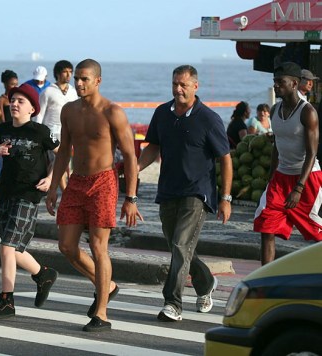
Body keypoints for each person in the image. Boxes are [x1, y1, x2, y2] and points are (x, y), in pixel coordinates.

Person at [45, 59, 141, 332]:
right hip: (76, 182)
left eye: (85, 79)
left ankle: (101, 312)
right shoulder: (69, 110)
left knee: (99, 248)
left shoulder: (113, 112)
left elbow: (131, 156)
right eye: (76, 78)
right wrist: (53, 187)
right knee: (66, 246)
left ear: (98, 81)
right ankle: (106, 286)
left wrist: (131, 198)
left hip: (104, 182)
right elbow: (64, 151)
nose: (78, 83)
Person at [137, 64, 232, 322]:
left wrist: (225, 198)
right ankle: (206, 282)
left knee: (180, 245)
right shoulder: (162, 113)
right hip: (168, 190)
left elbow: (225, 159)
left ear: (195, 87)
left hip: (197, 193)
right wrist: (135, 168)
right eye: (175, 84)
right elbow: (153, 146)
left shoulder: (209, 119)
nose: (178, 89)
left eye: (183, 85)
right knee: (179, 247)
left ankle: (173, 304)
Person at [0, 83, 60, 319]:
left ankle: (7, 301)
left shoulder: (40, 132)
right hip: (6, 191)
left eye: (20, 101)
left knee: (6, 246)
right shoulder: (3, 130)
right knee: (12, 248)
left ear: (32, 109)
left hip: (29, 193)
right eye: (13, 100)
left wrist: (50, 178)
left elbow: (63, 156)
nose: (14, 104)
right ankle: (43, 274)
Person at [253, 62, 322, 265]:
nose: (276, 86)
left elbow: (312, 153)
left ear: (293, 83)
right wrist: (271, 177)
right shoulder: (274, 110)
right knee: (266, 226)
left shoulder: (307, 112)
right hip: (281, 177)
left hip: (308, 178)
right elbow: (277, 146)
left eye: (280, 82)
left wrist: (299, 188)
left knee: (316, 233)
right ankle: (263, 281)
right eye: (274, 82)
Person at [35, 60, 78, 192]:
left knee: (63, 163)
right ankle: (64, 191)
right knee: (59, 161)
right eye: (65, 71)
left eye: (70, 72)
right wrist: (37, 133)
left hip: (69, 132)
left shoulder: (73, 91)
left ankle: (50, 186)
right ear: (58, 73)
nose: (68, 75)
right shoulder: (48, 91)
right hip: (51, 132)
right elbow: (39, 114)